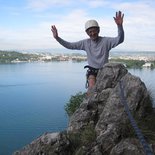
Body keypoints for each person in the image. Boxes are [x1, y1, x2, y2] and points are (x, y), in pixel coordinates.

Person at [51, 11, 124, 93]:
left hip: (105, 70)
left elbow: (119, 39)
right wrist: (57, 38)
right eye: (90, 32)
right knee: (91, 89)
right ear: (87, 33)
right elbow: (70, 45)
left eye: (94, 31)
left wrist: (119, 26)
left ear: (98, 30)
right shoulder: (85, 43)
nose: (92, 33)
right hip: (92, 71)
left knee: (107, 91)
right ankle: (90, 103)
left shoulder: (106, 41)